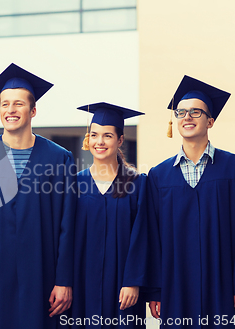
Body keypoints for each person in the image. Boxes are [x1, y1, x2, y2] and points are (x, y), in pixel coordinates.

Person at [0, 63, 77, 329]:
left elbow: (68, 224)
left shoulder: (59, 158)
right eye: (4, 104)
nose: (10, 110)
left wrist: (64, 279)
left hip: (43, 278)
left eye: (18, 104)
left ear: (33, 110)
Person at [147, 75, 235, 328]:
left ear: (210, 121)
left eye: (196, 112)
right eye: (181, 112)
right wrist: (155, 291)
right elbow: (151, 237)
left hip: (223, 284)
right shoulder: (158, 176)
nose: (187, 117)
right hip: (175, 285)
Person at [71, 102, 160, 328]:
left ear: (120, 140)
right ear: (88, 139)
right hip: (82, 282)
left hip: (123, 285)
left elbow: (144, 237)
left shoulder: (138, 183)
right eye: (94, 135)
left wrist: (133, 281)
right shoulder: (74, 183)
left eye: (107, 136)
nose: (99, 142)